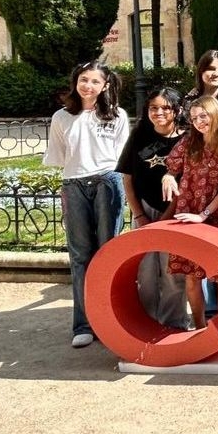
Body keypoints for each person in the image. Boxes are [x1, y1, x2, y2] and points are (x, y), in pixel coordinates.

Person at [44, 61, 130, 348]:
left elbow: (122, 156)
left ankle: (110, 320)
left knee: (108, 252)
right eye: (84, 80)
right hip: (74, 184)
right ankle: (83, 324)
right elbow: (59, 156)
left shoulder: (117, 115)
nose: (88, 86)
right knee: (80, 255)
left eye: (95, 81)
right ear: (75, 82)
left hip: (108, 182)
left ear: (105, 85)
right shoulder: (62, 117)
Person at [162, 96, 218, 330]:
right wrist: (168, 177)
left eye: (203, 116)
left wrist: (204, 214)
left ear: (216, 114)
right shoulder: (189, 142)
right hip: (190, 212)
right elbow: (171, 167)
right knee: (192, 273)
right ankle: (200, 327)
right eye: (194, 118)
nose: (198, 122)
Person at [118, 86, 188, 330]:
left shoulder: (187, 140)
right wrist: (139, 215)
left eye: (165, 108)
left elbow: (187, 183)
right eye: (153, 108)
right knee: (145, 270)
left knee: (172, 271)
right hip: (145, 210)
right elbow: (127, 177)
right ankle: (147, 322)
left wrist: (165, 219)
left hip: (174, 214)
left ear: (177, 110)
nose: (159, 113)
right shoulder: (140, 135)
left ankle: (174, 323)